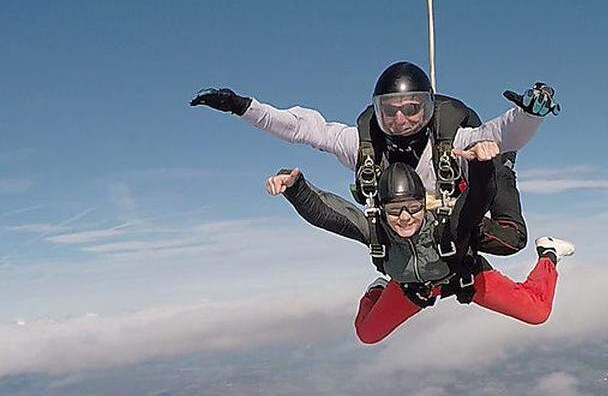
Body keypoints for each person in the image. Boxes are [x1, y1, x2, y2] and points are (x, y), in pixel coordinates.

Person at [192, 62, 559, 256]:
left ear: (429, 108)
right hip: (407, 228)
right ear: (378, 110)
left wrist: (529, 115)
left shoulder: (451, 140)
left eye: (412, 108)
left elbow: (500, 134)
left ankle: (500, 187)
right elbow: (304, 128)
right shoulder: (362, 146)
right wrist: (243, 107)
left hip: (455, 216)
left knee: (510, 234)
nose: (400, 119)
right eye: (390, 110)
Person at [265, 158, 574, 344]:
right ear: (381, 209)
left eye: (413, 208)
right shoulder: (378, 230)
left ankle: (548, 254)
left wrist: (482, 166)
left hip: (462, 277)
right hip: (411, 287)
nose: (404, 218)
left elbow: (478, 200)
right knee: (367, 333)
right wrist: (295, 188)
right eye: (395, 210)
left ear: (423, 206)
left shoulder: (445, 226)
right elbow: (331, 215)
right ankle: (377, 290)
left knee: (537, 312)